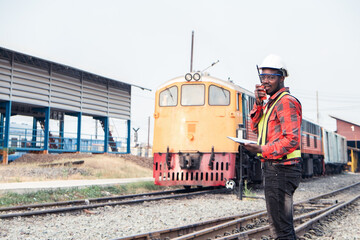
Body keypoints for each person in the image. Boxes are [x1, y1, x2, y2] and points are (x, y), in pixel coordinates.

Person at [243, 54, 302, 240]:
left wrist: (261, 149)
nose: (266, 82)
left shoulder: (285, 102)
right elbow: (255, 126)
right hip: (275, 170)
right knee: (280, 226)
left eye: (271, 77)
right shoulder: (271, 103)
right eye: (263, 77)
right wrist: (259, 102)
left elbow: (292, 139)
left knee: (281, 230)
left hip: (281, 171)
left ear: (282, 77)